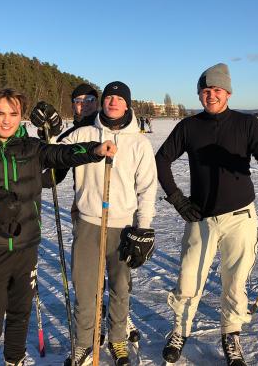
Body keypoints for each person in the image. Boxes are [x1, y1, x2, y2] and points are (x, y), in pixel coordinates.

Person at [0, 88, 116, 366]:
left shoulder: (32, 148)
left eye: (13, 114)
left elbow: (63, 155)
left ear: (21, 116)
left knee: (20, 314)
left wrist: (94, 151)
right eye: (0, 113)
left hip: (25, 248)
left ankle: (15, 360)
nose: (7, 121)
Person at [155, 63, 258, 365]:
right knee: (189, 278)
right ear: (200, 94)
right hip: (200, 217)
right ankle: (180, 330)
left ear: (227, 92)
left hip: (240, 217)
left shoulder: (247, 124)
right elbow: (161, 161)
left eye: (216, 90)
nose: (210, 95)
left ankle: (231, 334)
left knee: (235, 281)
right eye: (205, 90)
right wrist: (177, 200)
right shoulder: (189, 126)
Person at [59, 81, 157, 366]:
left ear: (128, 105)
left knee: (120, 287)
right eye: (109, 97)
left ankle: (117, 340)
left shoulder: (139, 142)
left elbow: (148, 188)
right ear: (102, 103)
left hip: (123, 225)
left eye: (119, 98)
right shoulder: (84, 133)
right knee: (86, 289)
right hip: (89, 222)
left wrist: (144, 226)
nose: (113, 102)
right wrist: (50, 133)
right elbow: (53, 154)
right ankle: (84, 343)